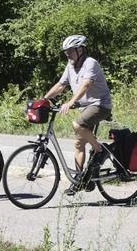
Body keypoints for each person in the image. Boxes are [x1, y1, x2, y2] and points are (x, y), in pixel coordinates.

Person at [43, 34, 112, 195]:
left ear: (80, 49)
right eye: (66, 52)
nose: (67, 54)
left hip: (100, 105)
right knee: (78, 144)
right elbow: (61, 85)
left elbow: (86, 85)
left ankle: (101, 151)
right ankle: (80, 180)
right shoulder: (70, 66)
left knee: (78, 124)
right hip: (85, 107)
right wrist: (44, 99)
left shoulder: (90, 63)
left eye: (70, 51)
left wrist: (70, 102)